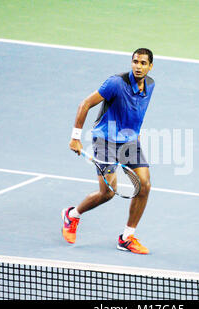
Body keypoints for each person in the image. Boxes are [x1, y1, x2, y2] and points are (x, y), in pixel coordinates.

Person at [63, 48, 155, 254]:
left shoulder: (150, 85)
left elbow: (138, 109)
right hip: (106, 141)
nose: (138, 66)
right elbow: (85, 104)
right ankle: (72, 214)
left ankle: (126, 238)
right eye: (135, 62)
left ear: (150, 66)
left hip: (130, 140)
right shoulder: (115, 83)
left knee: (144, 186)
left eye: (142, 63)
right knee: (108, 193)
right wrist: (75, 138)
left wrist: (136, 132)